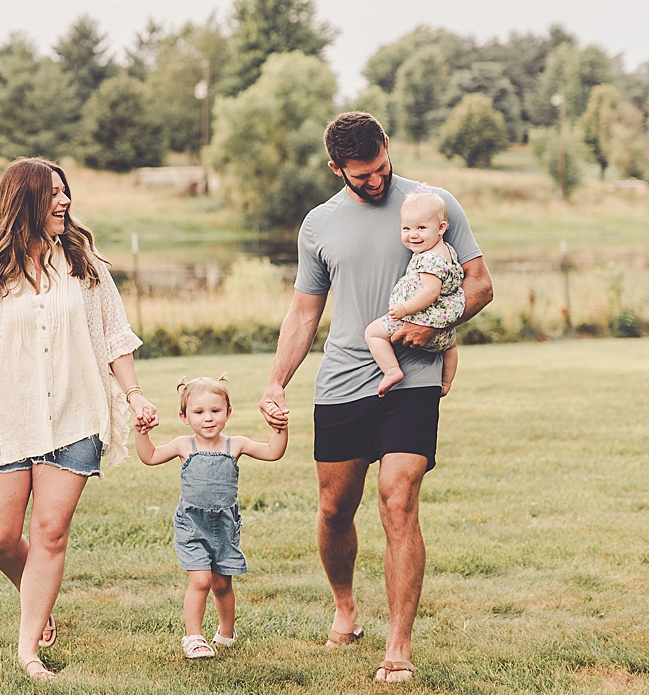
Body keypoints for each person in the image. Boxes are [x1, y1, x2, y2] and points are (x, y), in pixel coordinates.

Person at [257, 112, 494, 685]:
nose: (376, 181)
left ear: (388, 147)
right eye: (362, 176)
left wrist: (431, 329)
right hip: (342, 379)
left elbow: (481, 286)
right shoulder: (318, 225)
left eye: (381, 167)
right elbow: (304, 312)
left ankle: (399, 644)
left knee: (398, 497)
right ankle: (345, 607)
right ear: (337, 168)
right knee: (336, 509)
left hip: (413, 377)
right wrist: (275, 381)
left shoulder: (434, 205)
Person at [0, 158, 160, 683]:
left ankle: (28, 648)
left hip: (76, 416)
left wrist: (134, 395)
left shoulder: (83, 263)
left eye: (66, 193)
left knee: (50, 534)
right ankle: (38, 595)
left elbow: (113, 337)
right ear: (26, 202)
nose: (64, 202)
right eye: (53, 194)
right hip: (7, 419)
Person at [133, 375, 287, 659]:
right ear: (184, 416)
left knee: (222, 583)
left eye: (216, 411)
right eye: (199, 412)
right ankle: (193, 637)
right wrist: (142, 433)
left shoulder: (235, 444)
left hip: (224, 527)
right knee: (201, 580)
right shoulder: (183, 445)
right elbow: (150, 456)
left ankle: (226, 634)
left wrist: (279, 429)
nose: (208, 418)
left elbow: (272, 452)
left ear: (228, 413)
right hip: (191, 525)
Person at [362, 188, 465, 398]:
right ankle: (446, 381)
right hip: (444, 330)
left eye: (421, 227)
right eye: (406, 228)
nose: (413, 234)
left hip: (417, 319)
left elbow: (430, 292)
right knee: (452, 346)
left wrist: (404, 309)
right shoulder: (447, 252)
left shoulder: (428, 259)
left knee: (372, 333)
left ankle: (391, 371)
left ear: (441, 228)